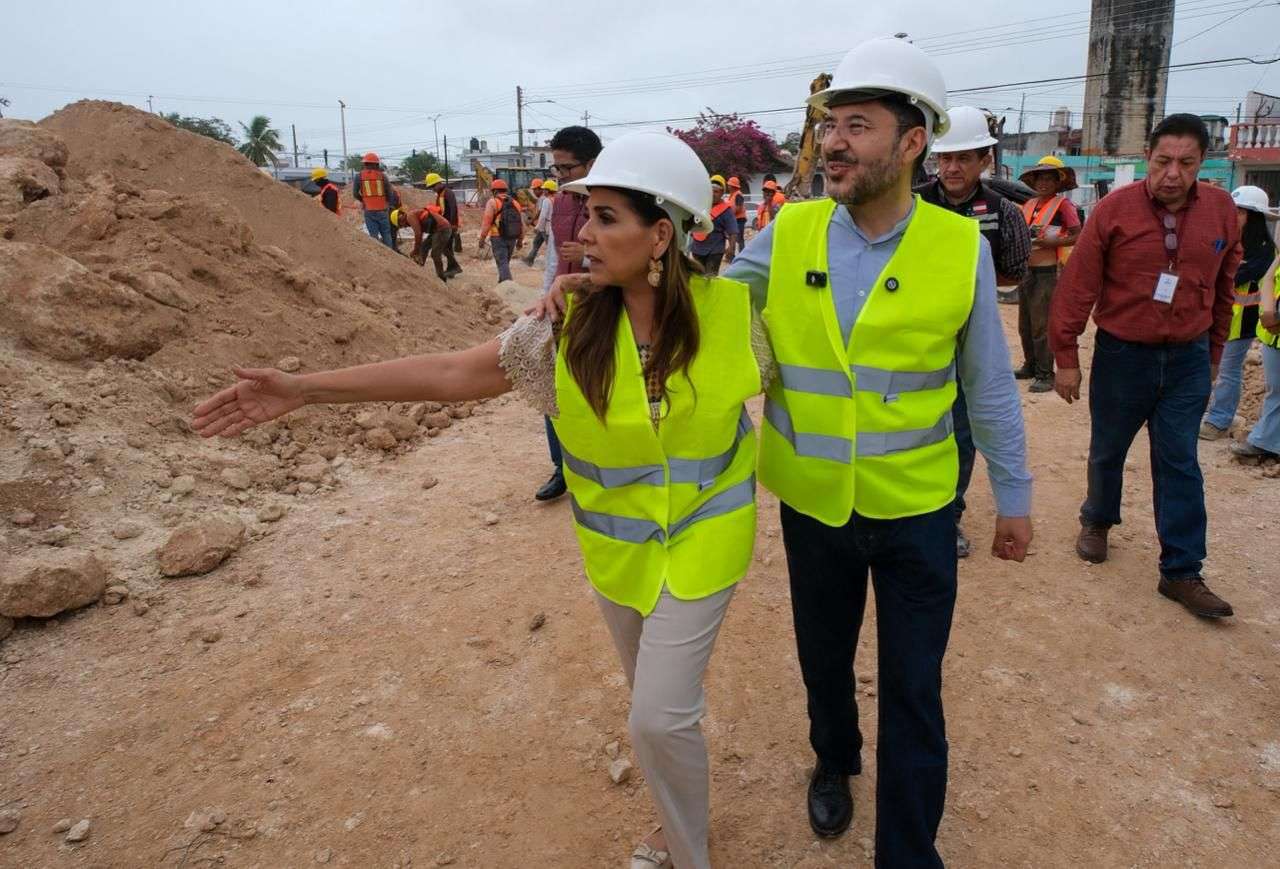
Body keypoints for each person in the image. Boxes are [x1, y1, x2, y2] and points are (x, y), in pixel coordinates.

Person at [192, 130, 765, 869]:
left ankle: (689, 853)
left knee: (656, 716)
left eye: (606, 217)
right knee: (654, 705)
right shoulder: (563, 327)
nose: (583, 232)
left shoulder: (737, 316)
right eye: (585, 213)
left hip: (706, 540)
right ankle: (677, 813)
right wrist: (305, 390)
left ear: (661, 235)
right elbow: (452, 374)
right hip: (619, 552)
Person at [725, 35, 1032, 867]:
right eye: (831, 125)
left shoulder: (960, 248)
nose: (833, 142)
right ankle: (834, 758)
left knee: (914, 686)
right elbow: (704, 307)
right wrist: (609, 290)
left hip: (918, 511)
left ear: (911, 142)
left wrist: (1014, 496)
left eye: (857, 126)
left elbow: (988, 385)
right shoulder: (789, 232)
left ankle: (907, 851)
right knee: (824, 658)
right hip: (814, 502)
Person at [1049, 113, 1241, 620]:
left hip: (1188, 359)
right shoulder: (1114, 210)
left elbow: (1224, 287)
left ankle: (1181, 570)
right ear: (1148, 158)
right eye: (1162, 161)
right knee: (1108, 449)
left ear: (1204, 163)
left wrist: (1214, 354)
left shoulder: (1221, 210)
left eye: (1186, 163)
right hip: (1123, 356)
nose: (1173, 174)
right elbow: (1078, 285)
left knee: (1180, 460)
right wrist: (1065, 357)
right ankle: (1097, 518)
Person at [917, 105, 1033, 559]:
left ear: (985, 159)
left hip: (969, 334)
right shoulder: (911, 204)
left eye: (963, 158)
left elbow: (1015, 270)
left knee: (962, 430)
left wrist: (968, 281)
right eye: (945, 158)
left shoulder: (1005, 213)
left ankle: (949, 515)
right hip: (917, 334)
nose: (952, 167)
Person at [536, 125, 604, 503]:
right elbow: (553, 258)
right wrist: (545, 299)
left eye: (567, 168)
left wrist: (589, 257)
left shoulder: (612, 201)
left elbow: (635, 259)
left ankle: (601, 462)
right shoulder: (558, 203)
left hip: (602, 307)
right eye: (556, 168)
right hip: (563, 310)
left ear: (591, 163)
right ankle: (561, 468)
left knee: (598, 388)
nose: (560, 175)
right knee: (555, 390)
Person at [1200, 185, 1278, 440]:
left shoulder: (1263, 252)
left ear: (1254, 217)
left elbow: (1228, 276)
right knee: (1204, 367)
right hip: (1214, 317)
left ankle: (1219, 420)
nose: (1234, 216)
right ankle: (1203, 412)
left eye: (1241, 212)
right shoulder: (1225, 241)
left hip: (1241, 322)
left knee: (1227, 371)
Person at [1017, 155, 1081, 393]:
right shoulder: (1030, 204)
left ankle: (1045, 373)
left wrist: (1053, 242)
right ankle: (1031, 365)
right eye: (1040, 178)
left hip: (1047, 271)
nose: (1043, 183)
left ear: (1057, 182)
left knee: (1042, 324)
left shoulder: (1063, 205)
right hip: (1027, 270)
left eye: (1048, 179)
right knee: (1025, 324)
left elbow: (1078, 234)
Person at [1233, 254, 1280, 461]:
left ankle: (1263, 441)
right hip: (1272, 336)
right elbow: (1268, 280)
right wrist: (1269, 312)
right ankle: (1268, 442)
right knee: (1275, 391)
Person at [688, 174, 738, 275]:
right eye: (711, 191)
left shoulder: (726, 210)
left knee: (710, 277)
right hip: (697, 248)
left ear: (722, 193)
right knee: (698, 276)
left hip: (715, 249)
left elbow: (732, 231)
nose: (713, 194)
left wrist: (731, 248)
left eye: (716, 192)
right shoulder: (701, 205)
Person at [477, 178, 524, 283]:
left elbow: (487, 222)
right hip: (512, 237)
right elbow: (521, 224)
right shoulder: (515, 203)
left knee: (502, 263)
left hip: (497, 237)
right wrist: (520, 240)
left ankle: (509, 287)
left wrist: (482, 238)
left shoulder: (493, 202)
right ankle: (502, 283)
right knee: (505, 263)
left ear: (494, 191)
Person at [352, 152, 398, 249]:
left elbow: (355, 193)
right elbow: (390, 193)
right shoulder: (383, 176)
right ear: (376, 164)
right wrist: (388, 204)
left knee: (373, 237)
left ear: (365, 164)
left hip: (369, 210)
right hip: (383, 210)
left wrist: (363, 200)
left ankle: (378, 256)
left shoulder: (359, 176)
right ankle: (390, 254)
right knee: (386, 234)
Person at [425, 172, 463, 278]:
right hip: (444, 226)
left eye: (433, 186)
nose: (433, 189)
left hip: (449, 225)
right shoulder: (440, 195)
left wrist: (453, 224)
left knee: (446, 247)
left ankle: (453, 268)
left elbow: (453, 207)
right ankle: (452, 269)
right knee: (446, 247)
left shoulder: (448, 193)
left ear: (438, 183)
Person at [405, 203, 456, 281]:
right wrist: (417, 250)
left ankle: (441, 278)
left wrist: (415, 251)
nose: (405, 226)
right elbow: (420, 233)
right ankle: (419, 269)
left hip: (442, 229)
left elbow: (418, 234)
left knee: (435, 253)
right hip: (438, 230)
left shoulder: (410, 216)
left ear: (400, 219)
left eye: (402, 225)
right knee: (424, 246)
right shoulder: (415, 215)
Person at [523, 178, 556, 266]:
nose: (534, 192)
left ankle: (552, 264)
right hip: (547, 227)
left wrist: (537, 226)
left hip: (545, 227)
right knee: (536, 242)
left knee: (550, 246)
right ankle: (529, 259)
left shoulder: (545, 200)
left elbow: (542, 215)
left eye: (535, 189)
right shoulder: (553, 198)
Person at [726, 176, 747, 252]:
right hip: (734, 219)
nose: (728, 186)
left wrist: (729, 214)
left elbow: (739, 207)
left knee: (739, 239)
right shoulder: (732, 195)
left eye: (729, 185)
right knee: (733, 238)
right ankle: (732, 254)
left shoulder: (738, 194)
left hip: (739, 220)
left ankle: (742, 254)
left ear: (733, 186)